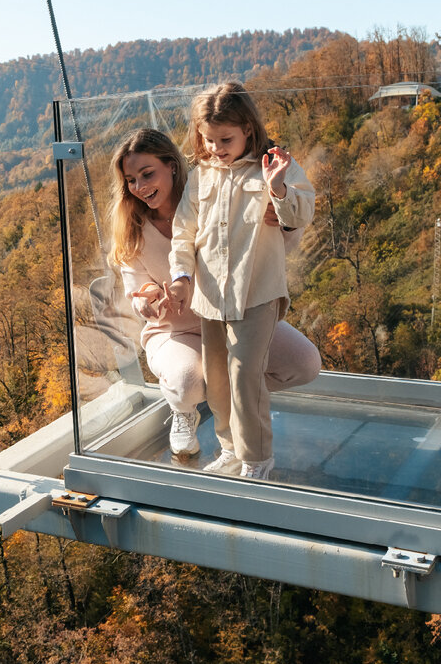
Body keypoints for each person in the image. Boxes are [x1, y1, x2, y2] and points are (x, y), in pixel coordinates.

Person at [108, 126, 319, 462]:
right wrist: (146, 299)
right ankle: (184, 408)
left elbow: (282, 247)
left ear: (172, 166)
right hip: (175, 330)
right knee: (189, 381)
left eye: (147, 174)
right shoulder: (133, 229)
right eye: (131, 180)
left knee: (305, 363)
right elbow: (137, 287)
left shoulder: (212, 201)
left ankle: (237, 394)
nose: (140, 187)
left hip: (235, 316)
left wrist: (280, 222)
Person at [166, 82, 316, 479]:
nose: (215, 147)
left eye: (224, 139)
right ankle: (231, 448)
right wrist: (181, 277)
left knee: (244, 375)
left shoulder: (273, 165)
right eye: (208, 139)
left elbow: (301, 212)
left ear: (248, 127)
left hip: (257, 292)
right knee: (217, 379)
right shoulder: (201, 176)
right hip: (210, 296)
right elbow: (184, 232)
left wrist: (279, 189)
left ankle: (258, 459)